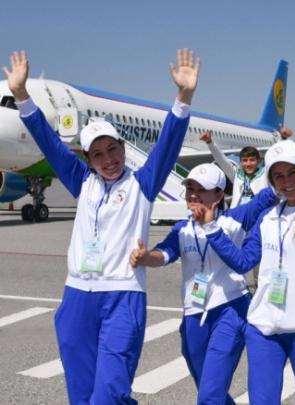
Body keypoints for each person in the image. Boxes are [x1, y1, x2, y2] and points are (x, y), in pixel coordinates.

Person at [3, 49, 200, 404]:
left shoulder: (142, 184)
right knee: (81, 396)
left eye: (113, 149)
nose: (109, 159)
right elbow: (49, 142)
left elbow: (168, 144)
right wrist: (21, 95)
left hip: (122, 296)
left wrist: (183, 99)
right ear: (87, 159)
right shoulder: (82, 181)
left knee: (109, 395)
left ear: (123, 147)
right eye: (98, 154)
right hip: (77, 297)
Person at [195, 139, 295, 405]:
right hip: (263, 327)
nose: (287, 181)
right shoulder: (266, 217)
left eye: (292, 172)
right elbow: (243, 262)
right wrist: (212, 229)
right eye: (278, 176)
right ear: (271, 181)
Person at [129, 163, 277, 405]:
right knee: (209, 389)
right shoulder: (182, 230)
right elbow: (164, 253)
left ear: (219, 195)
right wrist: (146, 257)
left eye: (202, 189)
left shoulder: (234, 220)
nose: (193, 195)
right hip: (194, 314)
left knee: (210, 396)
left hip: (230, 309)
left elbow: (268, 195)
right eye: (190, 188)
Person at [200, 128, 295, 294]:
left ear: (259, 162)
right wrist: (210, 143)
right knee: (239, 261)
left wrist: (283, 139)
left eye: (252, 160)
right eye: (244, 160)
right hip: (241, 222)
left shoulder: (265, 179)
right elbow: (221, 159)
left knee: (263, 265)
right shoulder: (237, 175)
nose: (248, 164)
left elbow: (284, 165)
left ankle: (259, 287)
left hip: (256, 219)